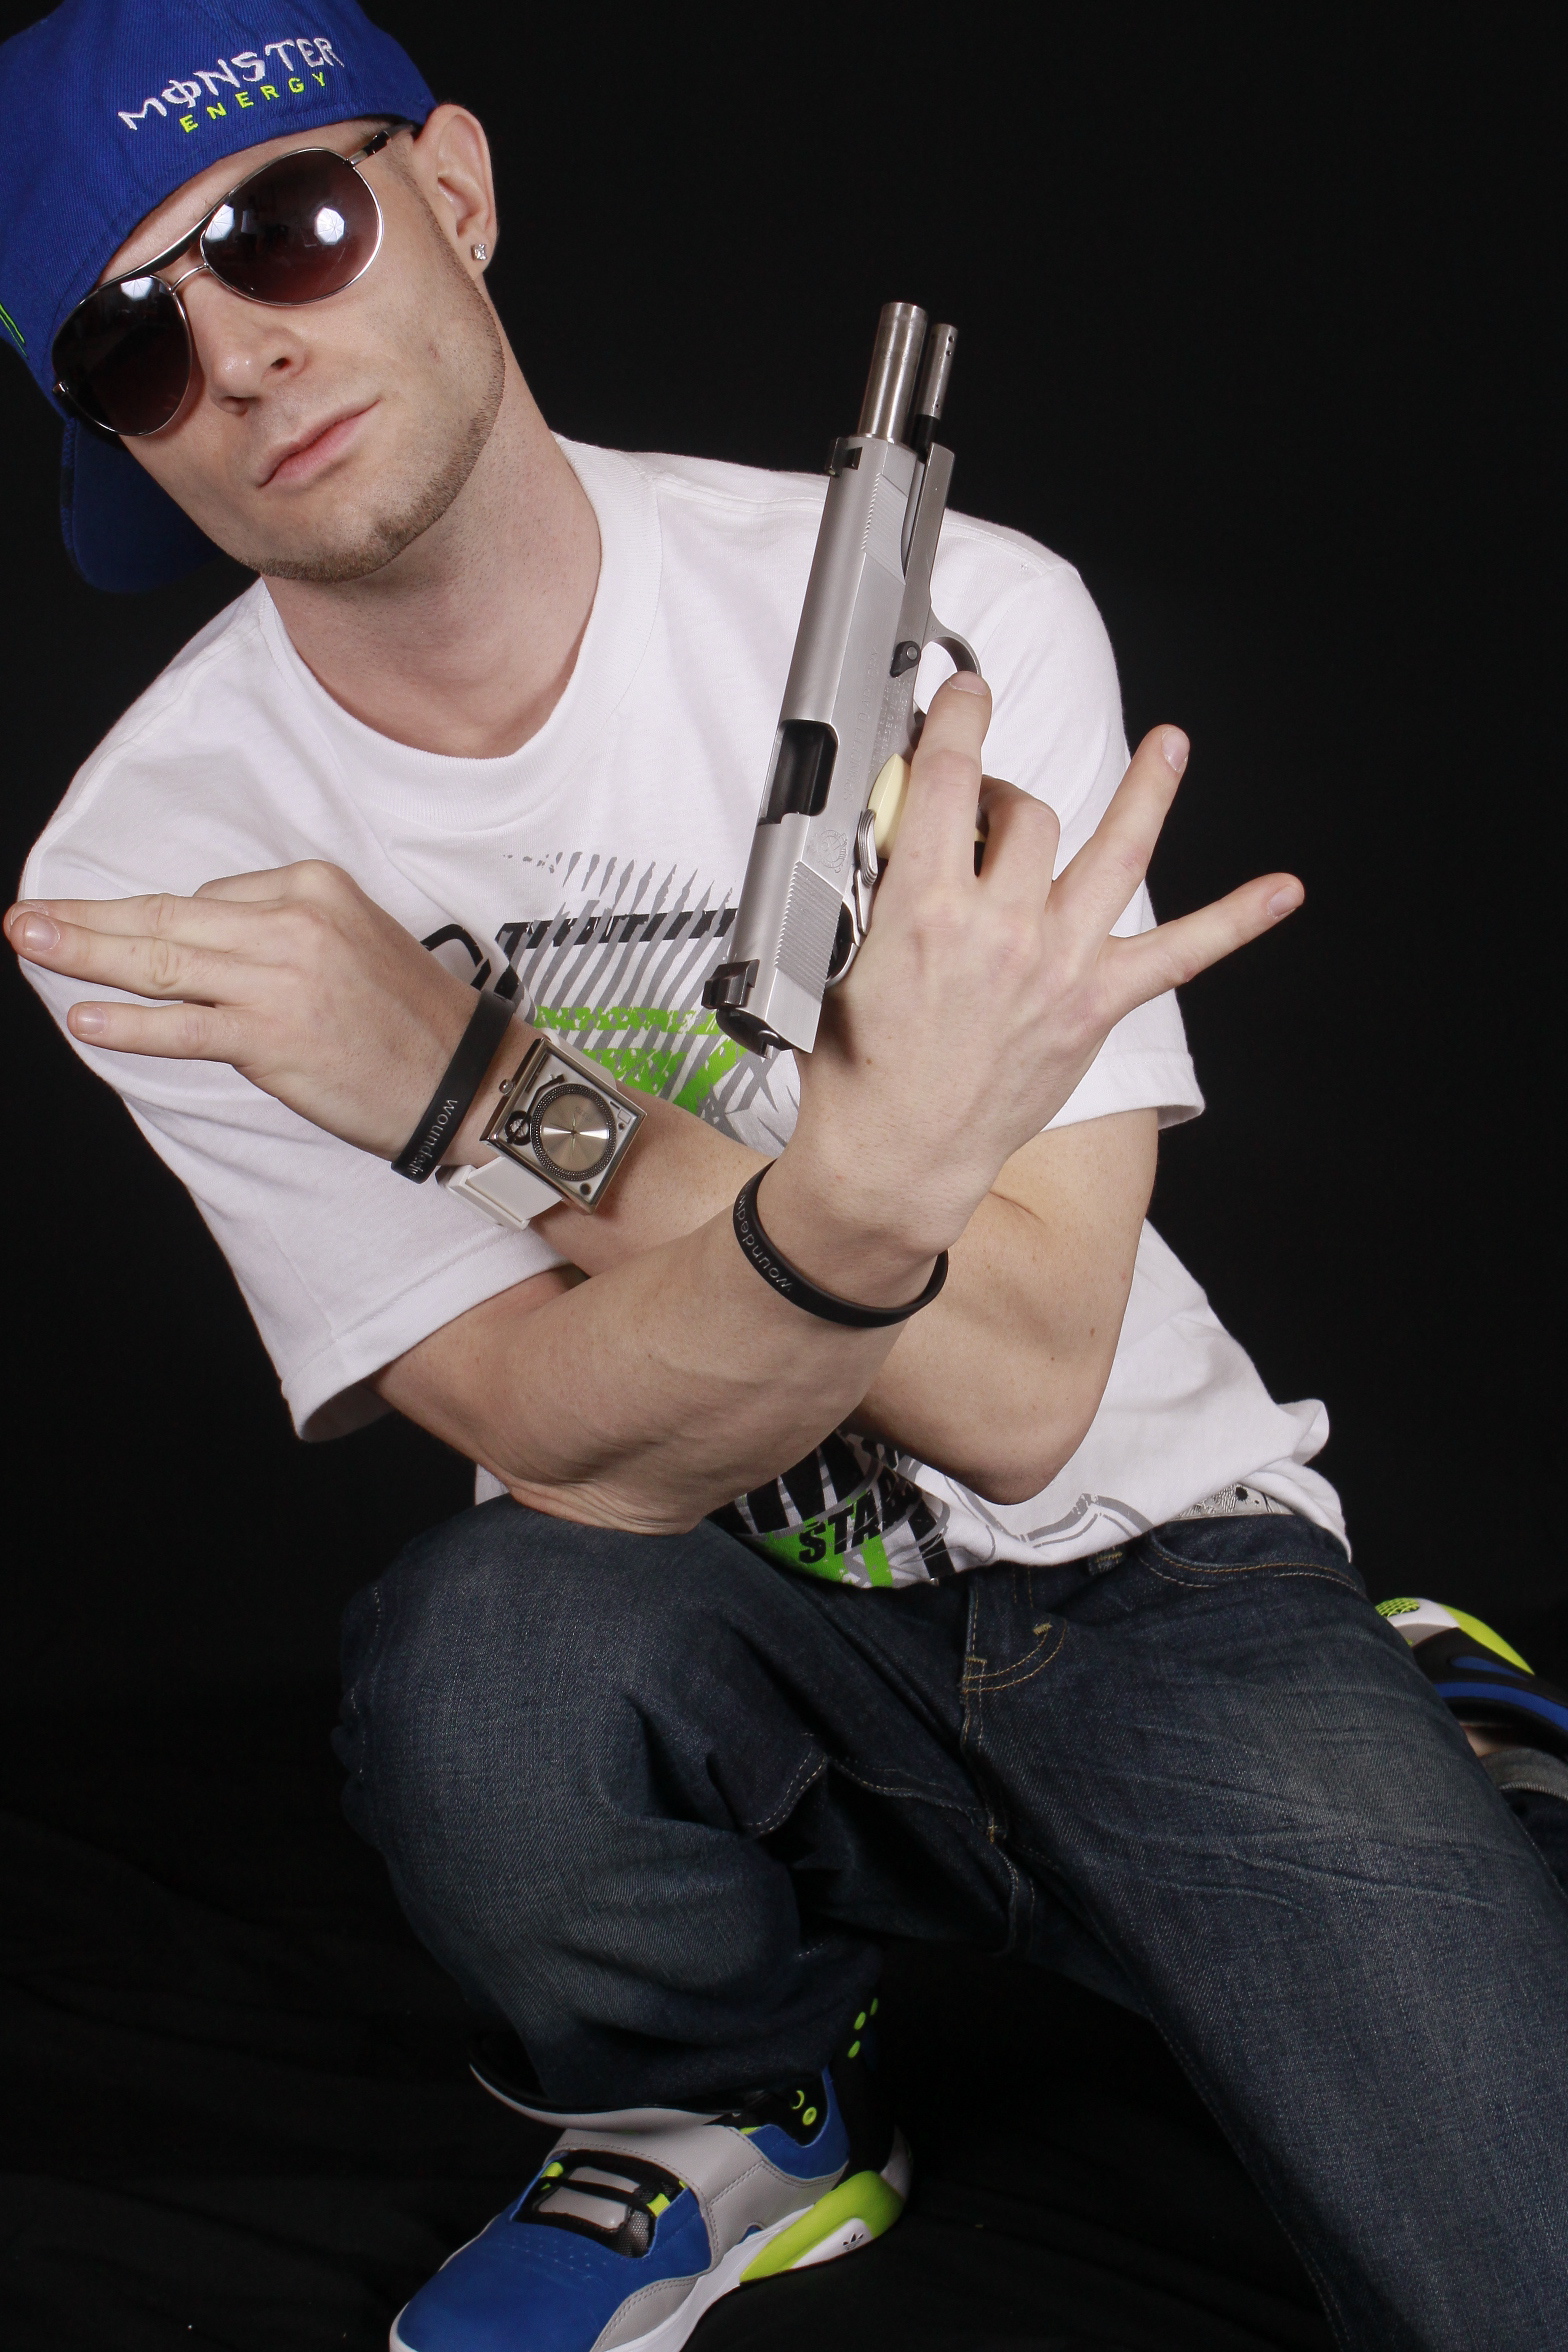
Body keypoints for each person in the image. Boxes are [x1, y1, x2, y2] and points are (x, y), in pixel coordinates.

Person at [2, 6, 1564, 2348]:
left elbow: (1025, 1393)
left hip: (1151, 1569)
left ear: (452, 192)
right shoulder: (156, 870)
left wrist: (464, 1080)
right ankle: (742, 2099)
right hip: (694, 1613)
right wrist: (858, 1196)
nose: (236, 354)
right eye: (134, 343)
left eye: (288, 227)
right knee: (483, 1669)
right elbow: (557, 1444)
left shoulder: (956, 611)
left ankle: (1401, 1725)